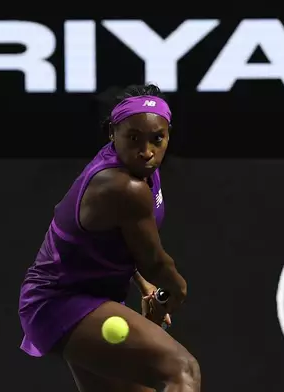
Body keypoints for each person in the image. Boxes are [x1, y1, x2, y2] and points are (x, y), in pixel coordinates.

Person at [18, 83, 200, 392]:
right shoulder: (122, 186)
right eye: (133, 138)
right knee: (182, 371)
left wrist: (146, 287)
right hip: (60, 303)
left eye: (157, 139)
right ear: (112, 134)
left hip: (90, 298)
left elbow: (119, 241)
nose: (146, 151)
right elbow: (155, 261)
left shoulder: (140, 169)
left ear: (168, 134)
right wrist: (175, 290)